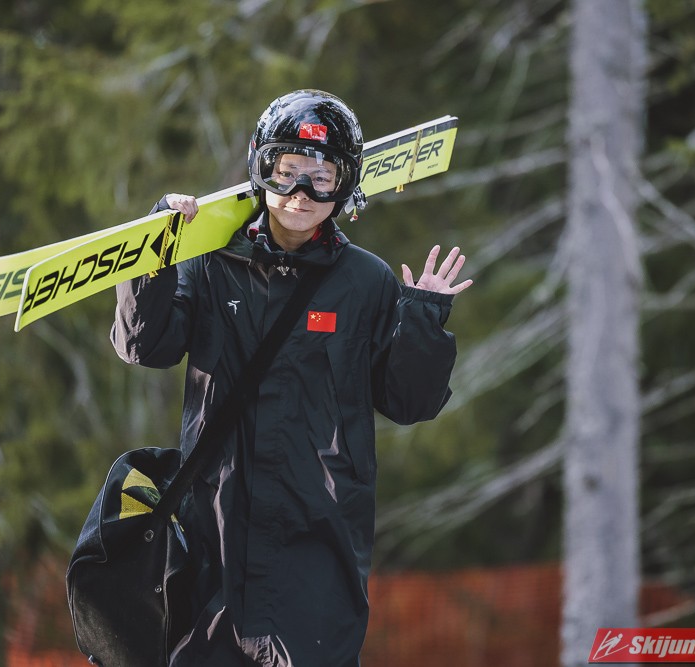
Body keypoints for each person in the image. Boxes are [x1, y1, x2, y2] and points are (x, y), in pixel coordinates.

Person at [111, 89, 471, 667]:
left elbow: (409, 402)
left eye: (322, 178)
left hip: (316, 553)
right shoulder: (212, 264)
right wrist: (155, 249)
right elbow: (142, 345)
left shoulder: (365, 282)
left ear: (344, 185)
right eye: (288, 172)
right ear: (262, 169)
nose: (302, 193)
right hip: (214, 542)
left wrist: (423, 318)